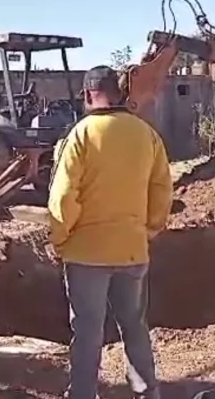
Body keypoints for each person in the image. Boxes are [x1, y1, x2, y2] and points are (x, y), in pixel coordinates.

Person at [48, 65, 173, 399]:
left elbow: (63, 196)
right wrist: (149, 228)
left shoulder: (82, 134)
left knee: (88, 330)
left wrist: (59, 237)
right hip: (132, 250)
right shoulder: (146, 134)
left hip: (86, 253)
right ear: (119, 93)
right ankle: (147, 392)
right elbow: (162, 189)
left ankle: (83, 394)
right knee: (134, 325)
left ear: (89, 94)